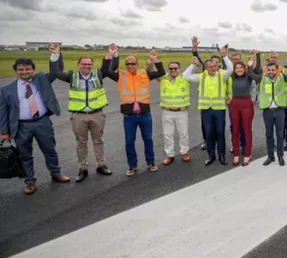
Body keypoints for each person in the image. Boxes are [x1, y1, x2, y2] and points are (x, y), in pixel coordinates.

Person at [0, 57, 70, 194]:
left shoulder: (42, 79)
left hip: (42, 122)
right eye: (21, 69)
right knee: (25, 155)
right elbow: (3, 111)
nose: (25, 72)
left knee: (50, 150)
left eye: (28, 69)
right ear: (16, 71)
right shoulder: (6, 90)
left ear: (33, 70)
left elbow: (56, 71)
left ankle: (56, 173)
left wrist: (55, 55)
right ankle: (30, 181)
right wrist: (4, 131)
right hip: (21, 126)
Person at [48, 43, 114, 182]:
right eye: (84, 64)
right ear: (78, 65)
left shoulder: (98, 74)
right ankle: (82, 168)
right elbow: (56, 73)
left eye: (89, 64)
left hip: (97, 114)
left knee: (98, 141)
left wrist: (111, 54)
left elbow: (108, 69)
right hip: (79, 116)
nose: (87, 67)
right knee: (81, 143)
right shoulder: (72, 76)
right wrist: (55, 55)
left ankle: (101, 165)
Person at [101, 44, 166, 176]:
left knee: (148, 139)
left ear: (137, 64)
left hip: (144, 114)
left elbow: (161, 72)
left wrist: (155, 60)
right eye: (128, 64)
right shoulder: (121, 75)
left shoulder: (144, 73)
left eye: (133, 63)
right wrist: (110, 55)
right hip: (129, 115)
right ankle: (132, 166)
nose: (130, 66)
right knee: (129, 142)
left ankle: (151, 162)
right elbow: (105, 71)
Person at [181, 46, 233, 166]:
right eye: (211, 67)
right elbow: (185, 76)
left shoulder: (222, 75)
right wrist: (193, 65)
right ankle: (211, 156)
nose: (214, 68)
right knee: (209, 133)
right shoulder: (202, 76)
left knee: (220, 133)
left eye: (215, 66)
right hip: (206, 110)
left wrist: (224, 56)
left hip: (219, 109)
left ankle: (221, 156)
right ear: (206, 68)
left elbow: (230, 69)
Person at [248, 58, 287, 166]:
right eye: (269, 70)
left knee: (280, 134)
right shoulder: (262, 78)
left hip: (279, 110)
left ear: (277, 70)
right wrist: (250, 62)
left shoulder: (282, 77)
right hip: (267, 111)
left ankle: (280, 156)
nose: (271, 72)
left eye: (273, 70)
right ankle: (270, 156)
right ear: (266, 70)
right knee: (269, 135)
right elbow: (250, 73)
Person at [158, 61, 191, 166]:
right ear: (168, 70)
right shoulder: (163, 79)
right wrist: (153, 61)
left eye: (175, 68)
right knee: (168, 135)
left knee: (183, 134)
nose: (173, 70)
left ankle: (184, 152)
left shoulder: (185, 78)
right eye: (171, 68)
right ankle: (170, 155)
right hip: (167, 112)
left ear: (179, 69)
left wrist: (194, 57)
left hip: (181, 112)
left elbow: (194, 69)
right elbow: (153, 73)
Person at [227, 58, 256, 166]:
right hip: (234, 104)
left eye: (240, 68)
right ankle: (236, 154)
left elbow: (254, 88)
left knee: (247, 130)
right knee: (235, 130)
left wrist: (253, 99)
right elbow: (226, 88)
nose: (238, 70)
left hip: (246, 104)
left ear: (244, 68)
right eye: (236, 68)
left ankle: (248, 154)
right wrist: (227, 98)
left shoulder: (249, 77)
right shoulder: (231, 78)